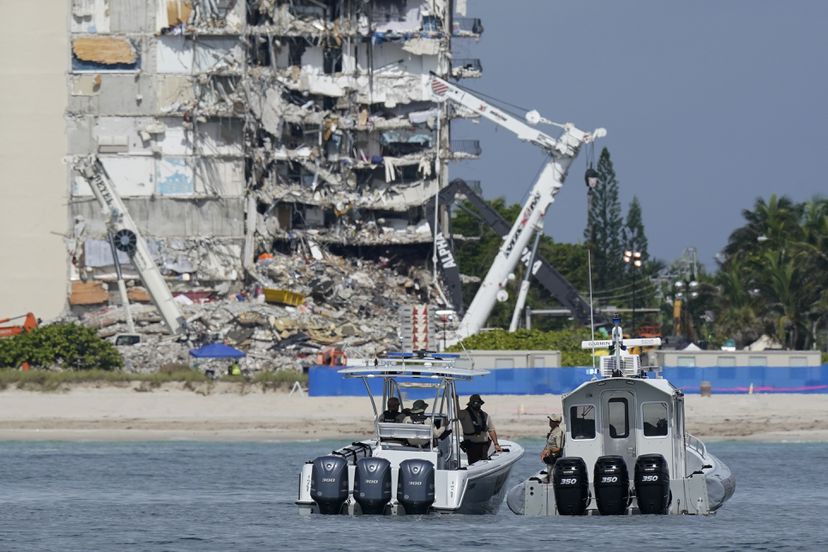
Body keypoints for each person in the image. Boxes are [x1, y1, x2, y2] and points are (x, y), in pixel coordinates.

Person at [458, 394, 501, 464]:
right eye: (475, 403)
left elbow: (491, 430)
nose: (477, 405)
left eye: (479, 403)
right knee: (474, 463)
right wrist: (456, 400)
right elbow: (457, 413)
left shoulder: (485, 415)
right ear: (470, 404)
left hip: (484, 445)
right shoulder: (464, 414)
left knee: (484, 462)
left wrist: (496, 444)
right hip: (472, 446)